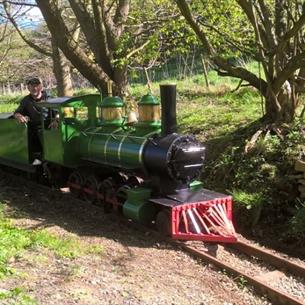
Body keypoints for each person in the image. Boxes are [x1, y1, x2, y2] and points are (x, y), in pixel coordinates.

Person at [14, 77, 51, 164]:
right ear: (28, 88)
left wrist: (56, 120)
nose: (35, 88)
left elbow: (57, 112)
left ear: (41, 87)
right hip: (35, 127)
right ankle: (39, 159)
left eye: (37, 86)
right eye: (32, 86)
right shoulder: (26, 100)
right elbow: (17, 112)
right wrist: (19, 116)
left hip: (50, 125)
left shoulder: (49, 97)